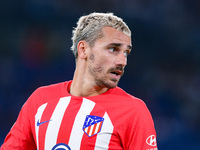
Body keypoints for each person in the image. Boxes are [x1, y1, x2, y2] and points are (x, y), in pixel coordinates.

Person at [1, 12, 157, 150]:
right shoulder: (40, 100)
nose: (123, 61)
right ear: (83, 49)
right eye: (113, 49)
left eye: (126, 53)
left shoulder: (133, 111)